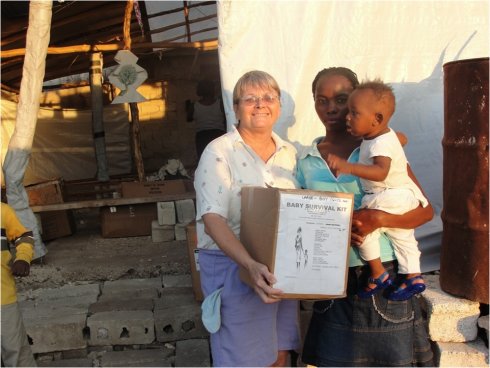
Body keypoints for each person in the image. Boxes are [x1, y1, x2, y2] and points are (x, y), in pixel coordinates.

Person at [297, 67, 434, 366]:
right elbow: (298, 223)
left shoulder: (381, 149)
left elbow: (425, 212)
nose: (331, 108)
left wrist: (378, 219)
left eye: (342, 99)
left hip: (385, 277)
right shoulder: (304, 161)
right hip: (331, 280)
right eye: (322, 100)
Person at [194, 70, 300, 367]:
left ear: (279, 106)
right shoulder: (219, 152)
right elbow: (212, 218)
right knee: (245, 359)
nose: (260, 104)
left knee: (280, 351)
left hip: (278, 270)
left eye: (268, 97)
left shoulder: (290, 154)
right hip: (233, 266)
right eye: (250, 98)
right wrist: (250, 265)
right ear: (236, 107)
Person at [326, 79, 428, 300]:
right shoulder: (383, 136)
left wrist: (349, 167)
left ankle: (377, 272)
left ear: (377, 119)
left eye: (354, 113)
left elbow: (381, 172)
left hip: (388, 193)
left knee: (360, 225)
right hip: (403, 196)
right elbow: (400, 137)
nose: (347, 117)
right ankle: (413, 275)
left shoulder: (379, 144)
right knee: (403, 237)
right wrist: (399, 139)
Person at [1, 202, 37, 367]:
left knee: (16, 351)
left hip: (3, 297)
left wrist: (23, 258)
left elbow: (24, 237)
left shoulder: (3, 211)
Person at [186, 79, 226, 160]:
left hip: (202, 137)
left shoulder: (194, 106)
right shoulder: (220, 103)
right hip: (219, 135)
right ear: (213, 89)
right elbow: (226, 118)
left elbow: (188, 118)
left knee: (204, 160)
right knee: (222, 159)